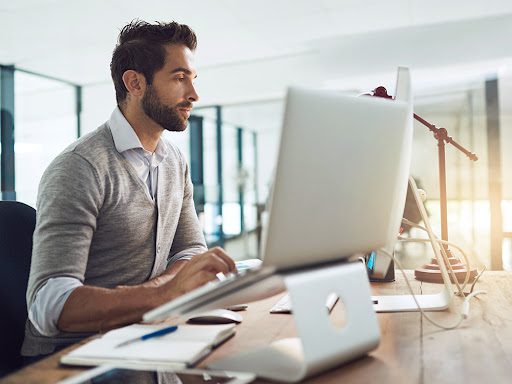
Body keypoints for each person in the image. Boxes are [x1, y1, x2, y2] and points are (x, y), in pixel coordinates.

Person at [21, 20, 236, 359]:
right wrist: (163, 294)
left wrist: (163, 291)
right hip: (72, 359)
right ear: (135, 83)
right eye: (180, 78)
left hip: (146, 338)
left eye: (193, 79)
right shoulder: (79, 167)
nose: (194, 94)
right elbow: (50, 305)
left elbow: (191, 250)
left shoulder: (173, 161)